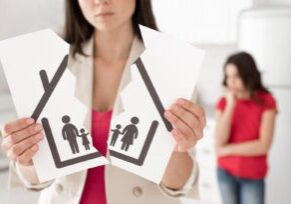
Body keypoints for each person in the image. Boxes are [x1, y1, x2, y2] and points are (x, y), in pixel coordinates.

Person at [0, 0, 206, 203]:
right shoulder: (50, 65)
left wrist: (175, 147)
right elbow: (37, 178)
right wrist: (26, 157)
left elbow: (180, 185)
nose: (100, 1)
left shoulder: (170, 68)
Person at [215, 52, 277, 204]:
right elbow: (219, 141)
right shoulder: (224, 103)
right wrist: (231, 106)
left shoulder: (267, 102)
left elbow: (263, 145)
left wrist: (228, 150)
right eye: (228, 76)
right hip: (225, 173)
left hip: (253, 176)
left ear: (248, 76)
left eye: (236, 76)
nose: (231, 82)